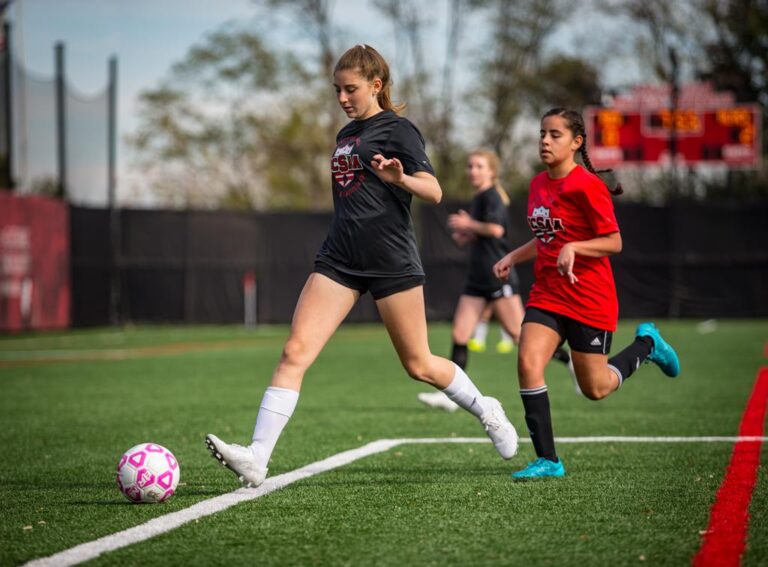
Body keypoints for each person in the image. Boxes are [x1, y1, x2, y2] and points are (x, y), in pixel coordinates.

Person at [205, 45, 518, 488]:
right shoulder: (343, 136)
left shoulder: (399, 129)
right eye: (337, 89)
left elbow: (434, 191)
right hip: (340, 258)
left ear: (376, 85)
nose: (342, 97)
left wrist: (400, 178)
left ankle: (487, 409)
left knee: (420, 364)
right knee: (295, 351)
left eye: (350, 88)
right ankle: (258, 456)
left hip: (390, 259)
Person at [493, 108, 681, 480]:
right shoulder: (536, 185)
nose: (545, 140)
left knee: (595, 388)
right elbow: (548, 235)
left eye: (555, 135)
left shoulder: (587, 186)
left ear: (577, 142)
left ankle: (647, 346)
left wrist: (576, 248)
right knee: (528, 361)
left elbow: (614, 241)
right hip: (547, 294)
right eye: (542, 133)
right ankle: (548, 459)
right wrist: (515, 255)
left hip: (589, 298)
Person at [418, 149, 569, 413]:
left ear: (491, 171)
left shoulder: (492, 197)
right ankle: (450, 397)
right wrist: (468, 233)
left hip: (498, 276)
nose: (472, 171)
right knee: (460, 334)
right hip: (477, 279)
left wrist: (470, 224)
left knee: (520, 335)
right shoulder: (479, 198)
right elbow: (486, 232)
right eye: (470, 166)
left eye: (478, 166)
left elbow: (497, 229)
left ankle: (570, 362)